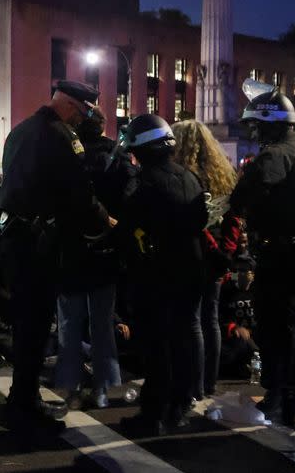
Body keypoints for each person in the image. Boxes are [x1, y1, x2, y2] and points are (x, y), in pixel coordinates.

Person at [0, 81, 112, 440]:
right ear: (71, 106)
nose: (82, 120)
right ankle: (22, 410)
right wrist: (105, 221)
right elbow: (78, 195)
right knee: (34, 328)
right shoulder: (62, 137)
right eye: (82, 112)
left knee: (25, 327)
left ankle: (24, 398)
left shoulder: (21, 131)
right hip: (37, 246)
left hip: (14, 242)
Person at [228, 89, 295, 426]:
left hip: (279, 252)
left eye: (256, 126)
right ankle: (291, 395)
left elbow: (242, 197)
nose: (254, 133)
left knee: (275, 328)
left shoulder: (275, 155)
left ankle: (278, 395)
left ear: (270, 123)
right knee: (289, 327)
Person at [116, 114, 208, 435]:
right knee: (183, 341)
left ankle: (153, 414)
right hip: (191, 271)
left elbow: (127, 231)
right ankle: (179, 407)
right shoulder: (190, 177)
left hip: (156, 276)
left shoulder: (144, 184)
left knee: (156, 348)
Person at [55, 108, 129, 409]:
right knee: (102, 322)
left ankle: (69, 387)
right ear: (103, 126)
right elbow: (129, 194)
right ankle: (105, 387)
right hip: (105, 249)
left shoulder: (66, 154)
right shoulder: (115, 156)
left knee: (69, 323)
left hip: (71, 248)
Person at [172, 120, 241, 400]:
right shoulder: (223, 173)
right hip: (217, 257)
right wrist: (226, 252)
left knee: (191, 320)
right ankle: (209, 383)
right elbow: (235, 218)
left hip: (194, 253)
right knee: (210, 319)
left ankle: (194, 386)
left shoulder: (185, 176)